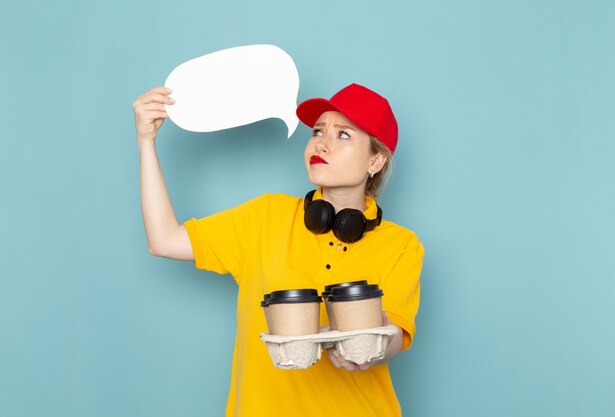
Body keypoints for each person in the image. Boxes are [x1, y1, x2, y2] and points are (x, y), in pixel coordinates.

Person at [133, 83, 425, 417]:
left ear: (375, 160)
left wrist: (367, 351)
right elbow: (164, 239)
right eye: (317, 131)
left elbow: (393, 336)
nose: (321, 143)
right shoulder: (265, 217)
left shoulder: (401, 245)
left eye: (343, 135)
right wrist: (146, 142)